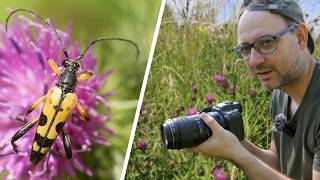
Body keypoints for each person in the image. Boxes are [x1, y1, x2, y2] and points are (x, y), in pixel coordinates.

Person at [190, 0, 320, 179]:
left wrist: (238, 155)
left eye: (267, 42)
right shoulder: (280, 93)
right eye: (245, 49)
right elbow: (277, 162)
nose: (253, 61)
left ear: (300, 37)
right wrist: (237, 143)